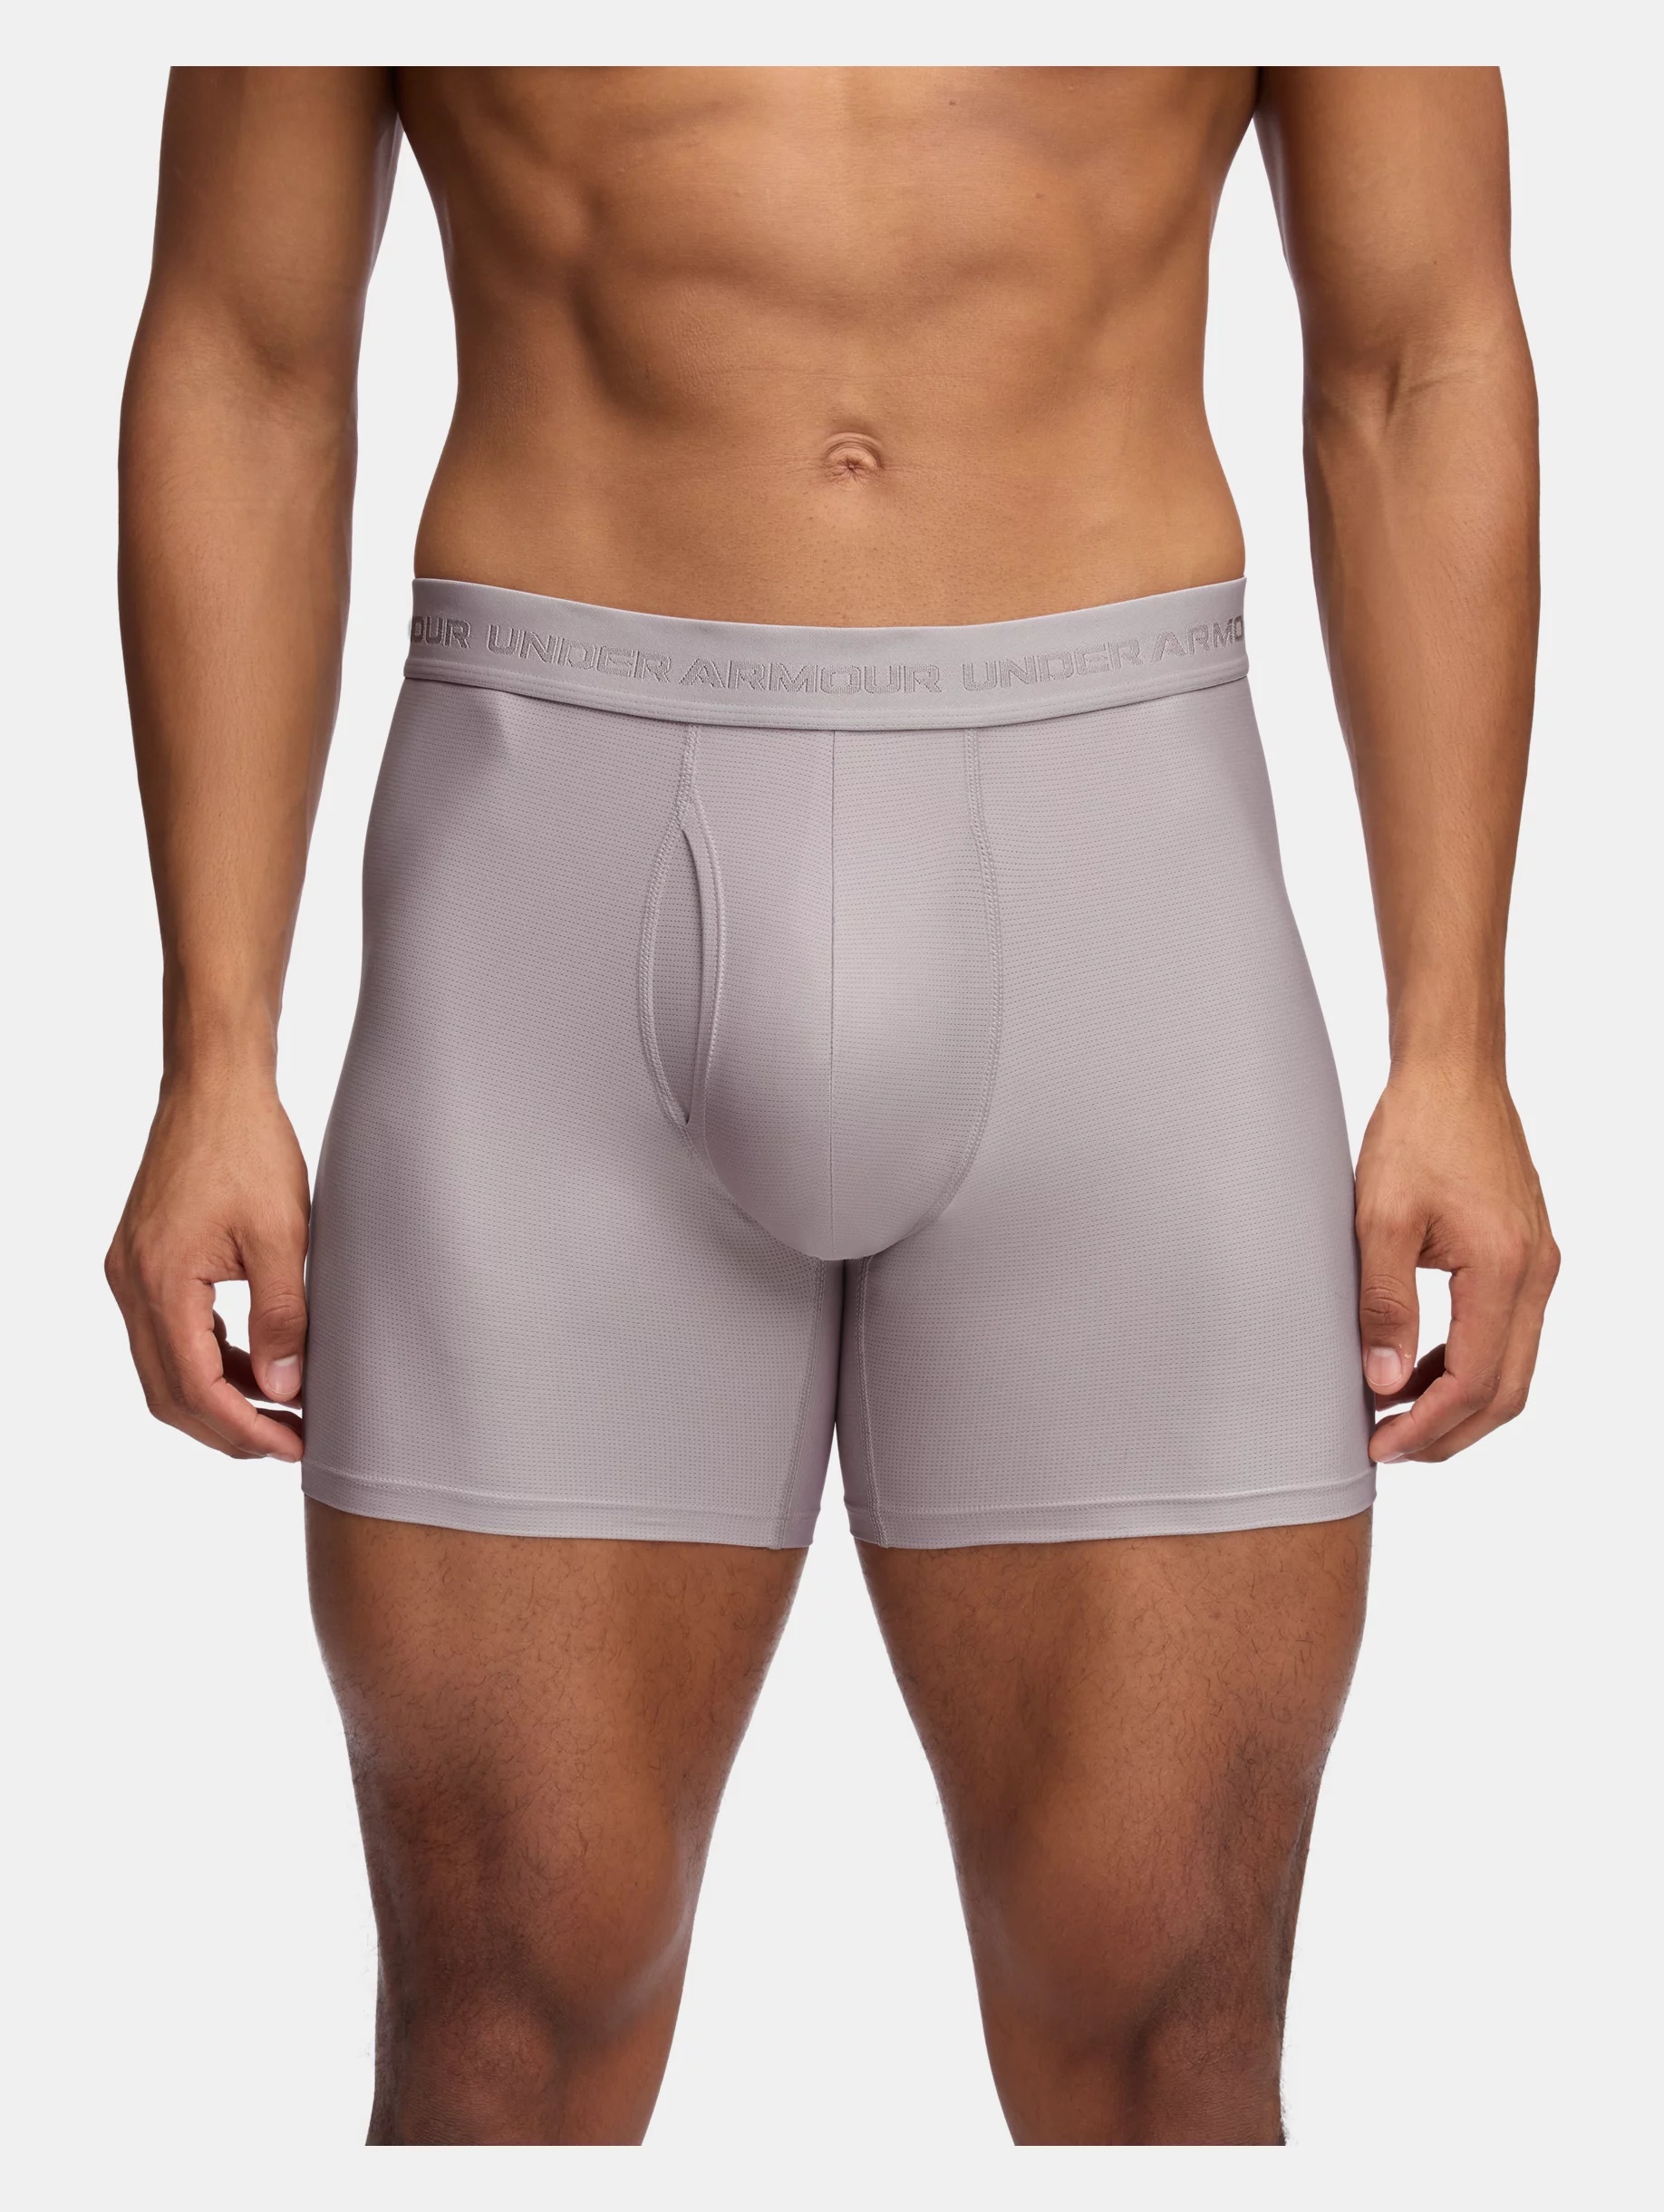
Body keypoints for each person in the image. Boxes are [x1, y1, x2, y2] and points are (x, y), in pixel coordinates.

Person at [105, 66, 1558, 2146]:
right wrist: (214, 1056)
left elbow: (1421, 356)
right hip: (545, 883)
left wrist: (1458, 1048)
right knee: (507, 2013)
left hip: (1117, 870)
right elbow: (244, 359)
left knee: (1164, 2016)